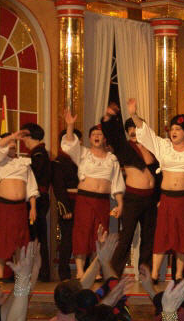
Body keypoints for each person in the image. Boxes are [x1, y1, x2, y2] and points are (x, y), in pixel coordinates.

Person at [127, 98, 184, 283]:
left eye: (178, 129)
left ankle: (179, 275)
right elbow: (147, 133)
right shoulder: (164, 146)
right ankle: (154, 274)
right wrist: (134, 114)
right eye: (172, 129)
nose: (174, 132)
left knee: (183, 237)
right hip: (167, 198)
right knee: (162, 236)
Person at [61, 110, 125, 279]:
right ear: (90, 138)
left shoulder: (112, 159)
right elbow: (69, 144)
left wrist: (120, 204)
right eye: (94, 134)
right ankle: (80, 270)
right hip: (85, 199)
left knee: (100, 234)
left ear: (105, 138)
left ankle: (95, 269)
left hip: (102, 201)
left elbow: (117, 183)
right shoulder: (83, 153)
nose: (97, 136)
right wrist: (70, 125)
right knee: (82, 232)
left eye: (100, 134)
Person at [101, 103, 160, 276]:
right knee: (126, 235)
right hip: (133, 197)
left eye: (136, 127)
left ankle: (145, 272)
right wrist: (108, 117)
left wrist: (159, 198)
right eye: (130, 129)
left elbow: (160, 174)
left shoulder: (152, 148)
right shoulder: (125, 147)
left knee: (149, 236)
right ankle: (114, 273)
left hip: (151, 198)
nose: (133, 131)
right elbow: (112, 135)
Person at [0, 130, 38, 281]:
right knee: (2, 238)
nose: (12, 145)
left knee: (21, 240)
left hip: (21, 207)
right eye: (9, 143)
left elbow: (31, 187)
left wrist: (33, 208)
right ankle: (0, 274)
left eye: (14, 143)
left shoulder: (24, 163)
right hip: (5, 206)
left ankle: (20, 273)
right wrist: (11, 137)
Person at [21, 122, 52, 282]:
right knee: (36, 235)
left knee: (37, 235)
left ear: (30, 136)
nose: (23, 140)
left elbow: (34, 178)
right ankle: (40, 270)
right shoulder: (38, 153)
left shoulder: (38, 155)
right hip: (40, 198)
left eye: (24, 136)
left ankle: (42, 271)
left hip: (38, 199)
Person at [52, 128, 82, 282]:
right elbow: (58, 187)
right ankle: (64, 273)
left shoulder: (82, 158)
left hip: (83, 201)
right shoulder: (59, 161)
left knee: (83, 237)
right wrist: (65, 208)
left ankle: (84, 269)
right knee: (67, 238)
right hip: (68, 202)